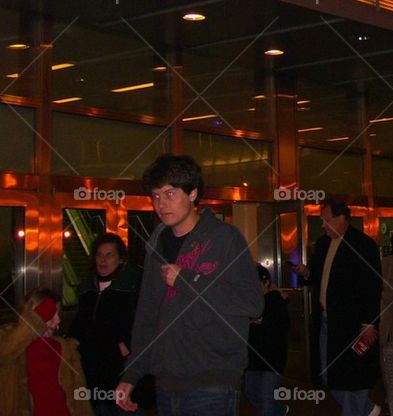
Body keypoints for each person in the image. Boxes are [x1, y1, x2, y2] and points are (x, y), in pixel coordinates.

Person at [115, 154, 264, 415]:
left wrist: (187, 279)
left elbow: (252, 303)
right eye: (156, 196)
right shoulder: (156, 245)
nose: (161, 204)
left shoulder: (224, 239)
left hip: (213, 381)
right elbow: (148, 313)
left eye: (170, 194)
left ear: (193, 193)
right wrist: (132, 373)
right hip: (166, 381)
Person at [293, 200, 382, 416]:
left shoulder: (362, 245)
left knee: (354, 374)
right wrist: (307, 274)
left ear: (343, 219)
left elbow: (372, 285)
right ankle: (367, 409)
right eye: (322, 220)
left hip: (353, 322)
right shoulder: (323, 244)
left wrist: (369, 322)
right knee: (328, 373)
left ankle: (357, 410)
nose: (323, 225)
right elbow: (319, 276)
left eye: (327, 220)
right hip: (327, 320)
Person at [68, 232, 142, 416]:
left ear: (120, 259)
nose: (103, 260)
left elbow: (143, 323)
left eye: (109, 255)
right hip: (91, 371)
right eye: (100, 255)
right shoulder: (87, 288)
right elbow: (81, 324)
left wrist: (126, 344)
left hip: (121, 370)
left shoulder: (132, 286)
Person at [0, 289, 92, 416]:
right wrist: (36, 321)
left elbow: (80, 400)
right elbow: (5, 353)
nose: (57, 320)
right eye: (50, 314)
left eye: (58, 313)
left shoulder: (66, 348)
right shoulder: (10, 340)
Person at [245, 265, 291, 416]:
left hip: (271, 361)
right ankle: (279, 410)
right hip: (253, 361)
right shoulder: (250, 303)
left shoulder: (275, 302)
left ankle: (277, 410)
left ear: (266, 283)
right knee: (252, 393)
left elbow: (278, 329)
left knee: (266, 399)